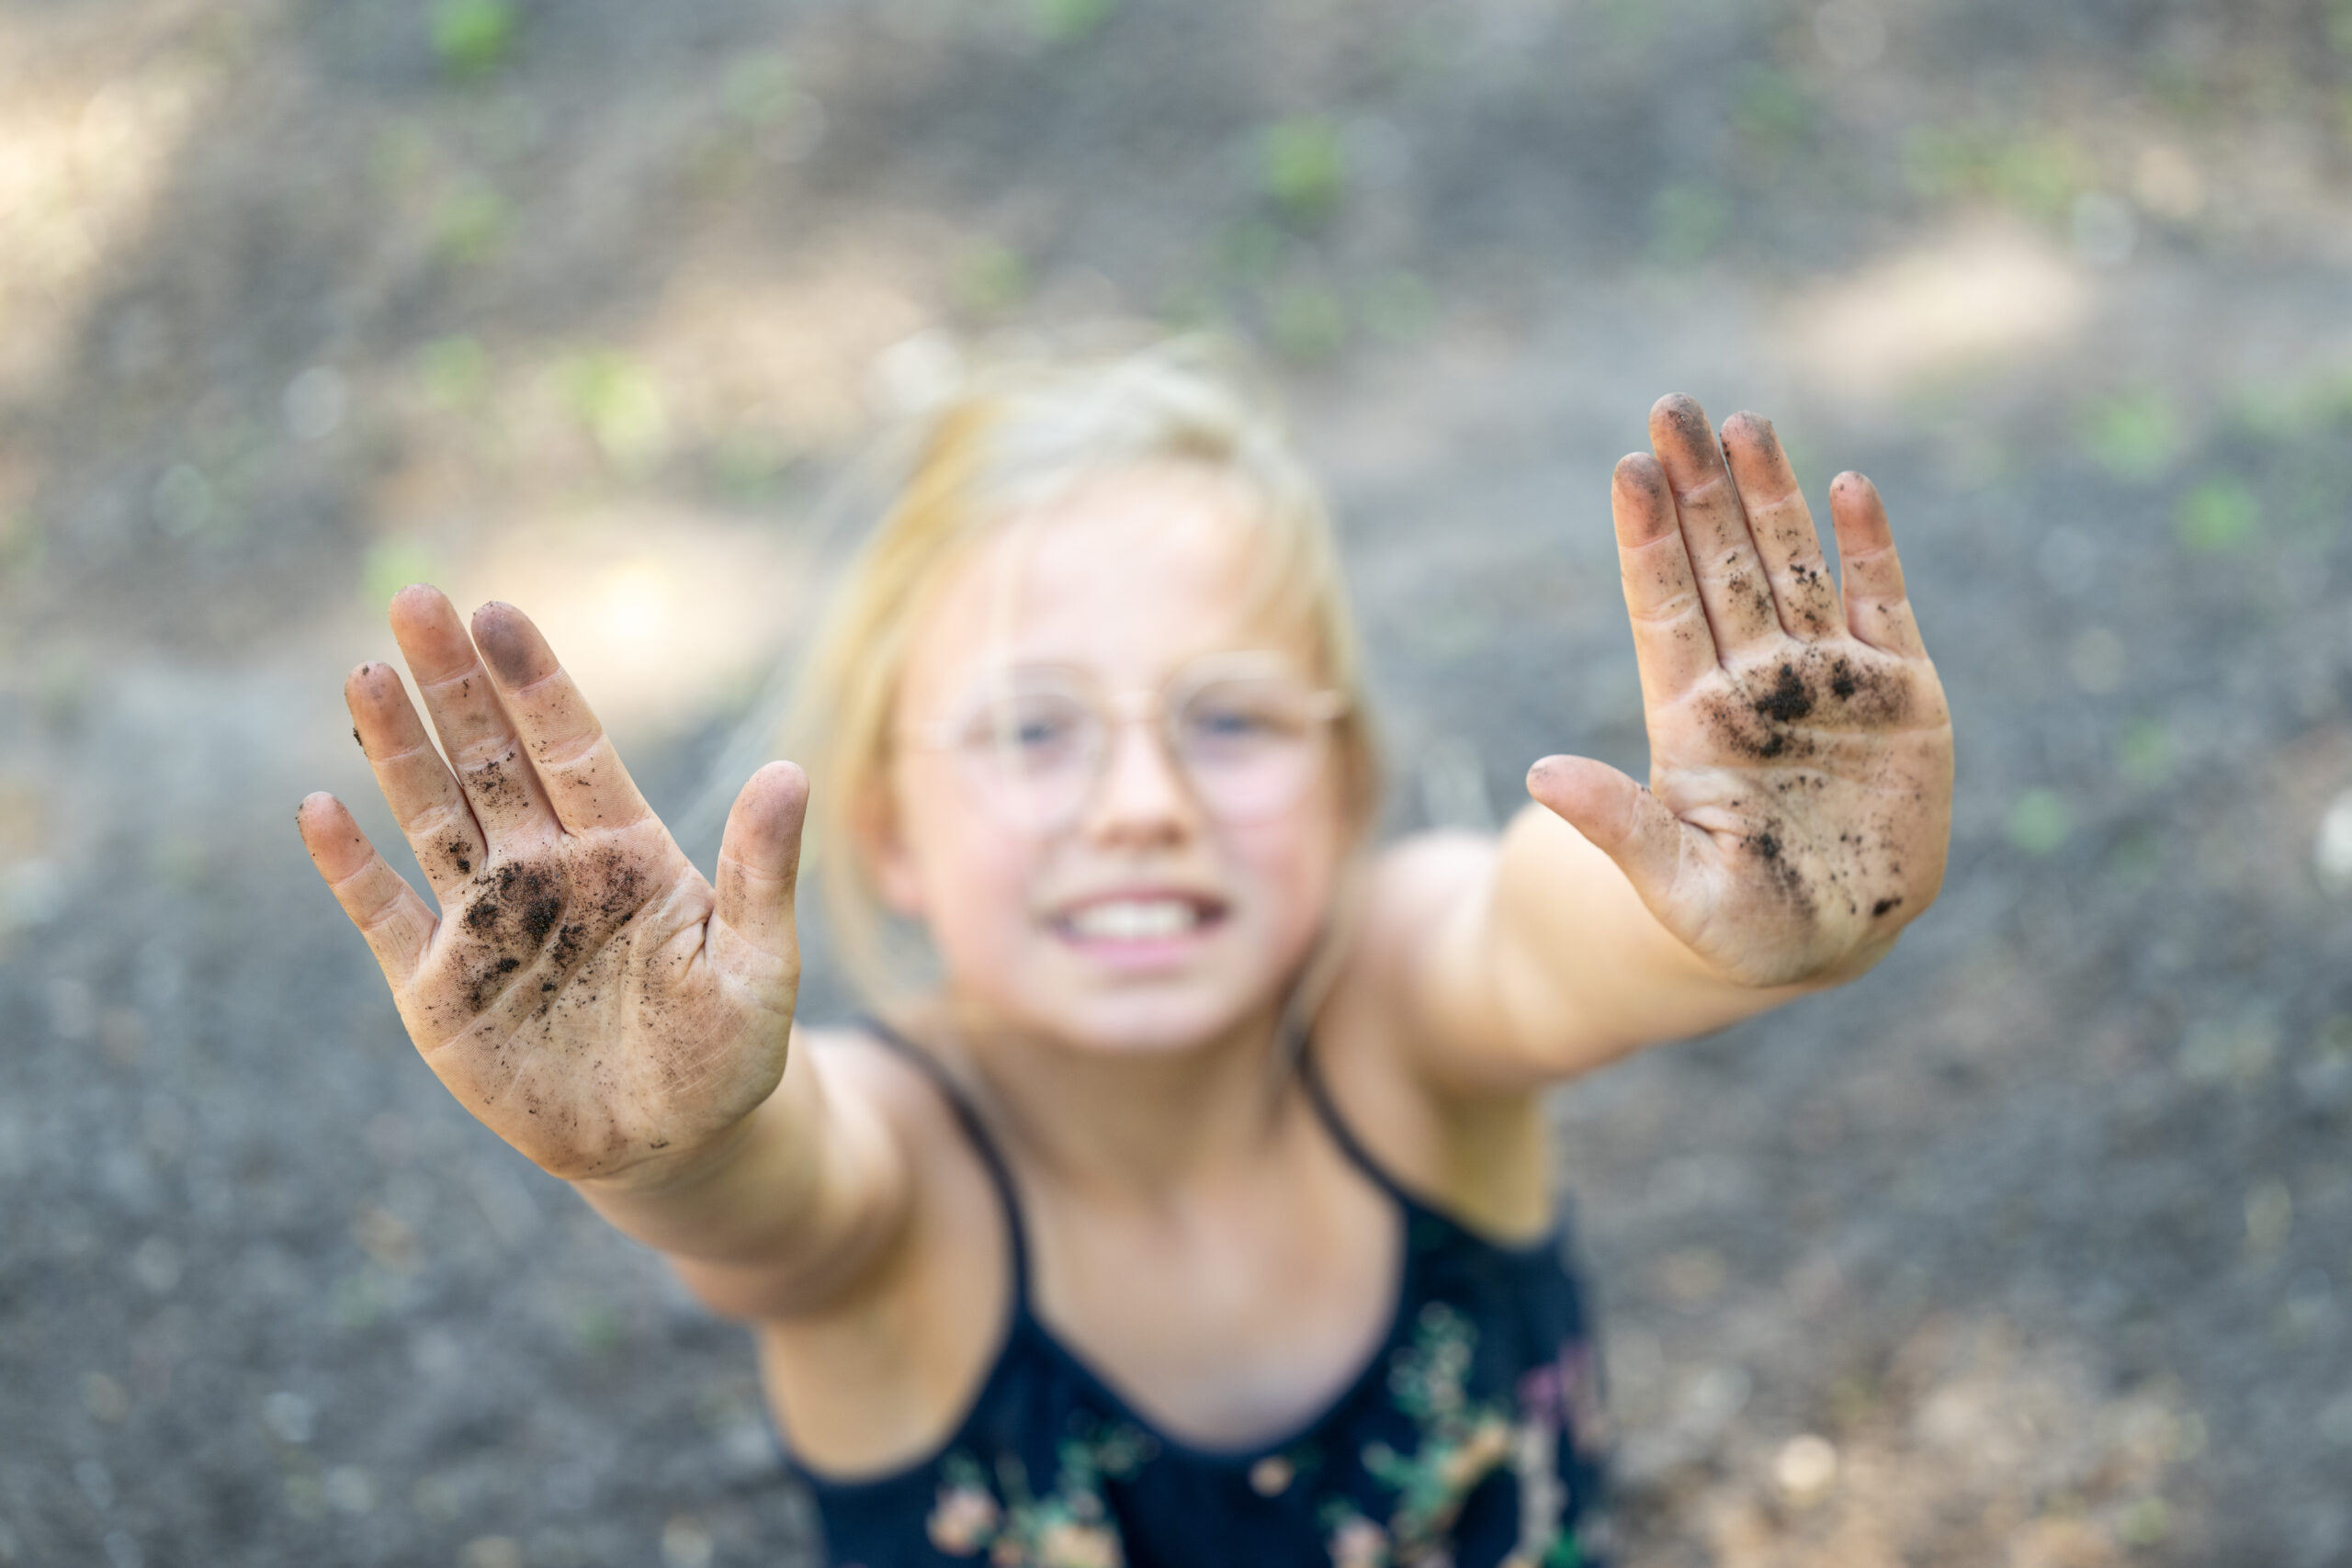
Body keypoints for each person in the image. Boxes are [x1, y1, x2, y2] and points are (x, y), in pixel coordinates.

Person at [296, 344, 1953, 1567]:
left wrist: (1745, 910)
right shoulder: (897, 1166)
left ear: (1345, 783)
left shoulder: (1399, 1006)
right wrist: (670, 1144)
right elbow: (768, 1201)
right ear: (889, 833)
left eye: (1228, 718)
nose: (1145, 805)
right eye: (1033, 731)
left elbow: (1558, 932)